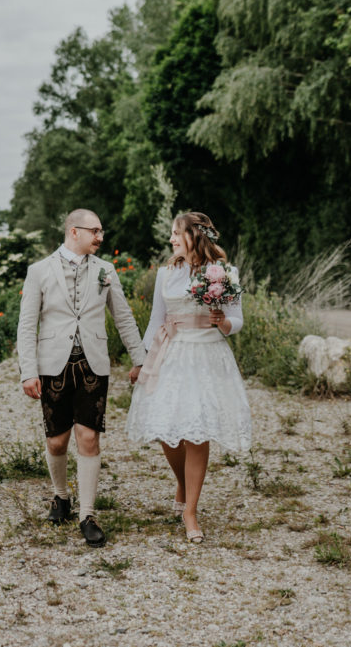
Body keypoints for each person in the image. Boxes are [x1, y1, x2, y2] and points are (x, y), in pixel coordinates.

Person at [17, 209, 146, 548]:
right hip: (52, 366)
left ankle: (87, 514)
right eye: (96, 231)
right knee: (57, 441)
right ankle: (61, 496)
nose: (101, 237)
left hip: (93, 364)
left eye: (102, 230)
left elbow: (124, 318)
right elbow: (27, 325)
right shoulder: (39, 271)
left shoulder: (106, 270)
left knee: (88, 438)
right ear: (74, 231)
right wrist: (28, 371)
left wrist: (140, 359)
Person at [125, 211, 252, 543]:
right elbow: (156, 320)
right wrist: (141, 360)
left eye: (175, 233)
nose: (171, 239)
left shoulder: (225, 273)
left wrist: (222, 321)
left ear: (194, 236)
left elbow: (236, 321)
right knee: (168, 431)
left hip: (208, 354)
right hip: (173, 354)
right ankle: (182, 479)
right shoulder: (166, 274)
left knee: (198, 432)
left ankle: (190, 511)